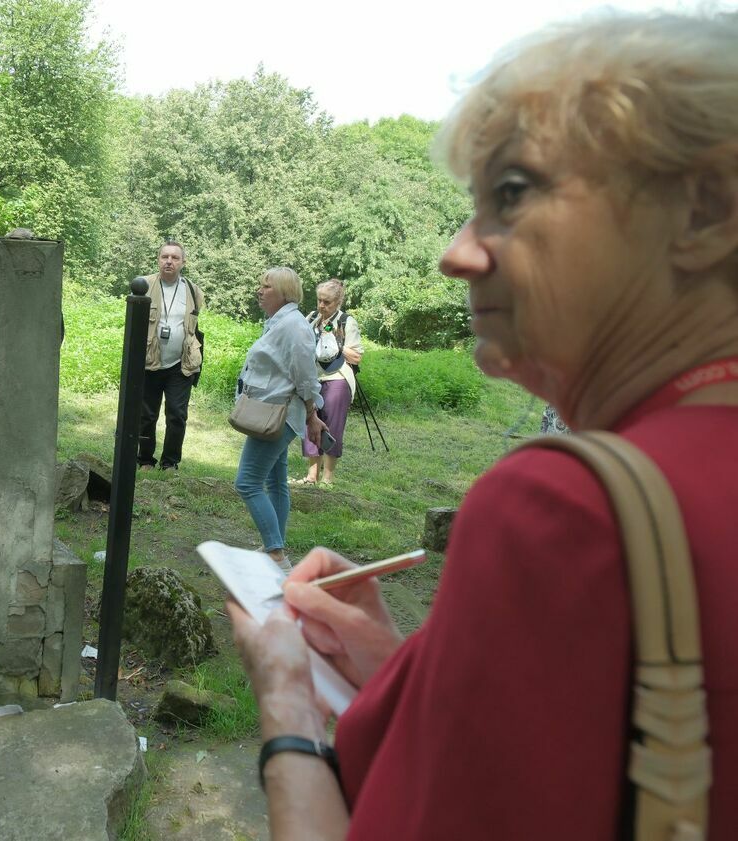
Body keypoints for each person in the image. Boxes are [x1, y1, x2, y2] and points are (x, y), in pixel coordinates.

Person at [229, 10, 738, 839]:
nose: (457, 254)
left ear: (705, 209)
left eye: (512, 192)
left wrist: (286, 700)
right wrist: (418, 667)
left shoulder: (563, 509)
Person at [233, 267, 327, 571]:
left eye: (266, 286)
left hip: (278, 415)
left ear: (285, 292)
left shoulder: (294, 327)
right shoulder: (279, 322)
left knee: (247, 482)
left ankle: (275, 553)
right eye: (260, 285)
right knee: (275, 482)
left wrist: (312, 416)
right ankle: (274, 547)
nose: (260, 291)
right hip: (270, 411)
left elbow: (306, 377)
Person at [137, 240, 204, 472]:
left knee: (177, 415)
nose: (169, 261)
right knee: (146, 415)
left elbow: (194, 327)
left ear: (183, 262)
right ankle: (145, 460)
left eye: (175, 258)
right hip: (149, 362)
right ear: (158, 259)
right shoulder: (143, 285)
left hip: (181, 363)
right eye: (165, 256)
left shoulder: (194, 291)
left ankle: (170, 463)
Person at [298, 279, 363, 486]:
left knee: (332, 426)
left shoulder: (346, 321)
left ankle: (327, 478)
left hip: (337, 379)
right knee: (309, 421)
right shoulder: (312, 318)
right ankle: (311, 476)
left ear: (338, 302)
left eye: (327, 302)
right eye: (319, 300)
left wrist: (336, 342)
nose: (321, 305)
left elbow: (356, 357)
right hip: (313, 377)